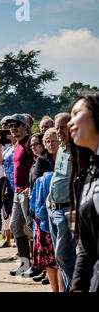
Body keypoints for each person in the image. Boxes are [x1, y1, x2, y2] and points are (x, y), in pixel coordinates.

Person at [67, 92, 99, 292]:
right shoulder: (87, 175)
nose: (71, 122)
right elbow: (87, 249)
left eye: (77, 113)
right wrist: (77, 286)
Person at [46, 112, 77, 291]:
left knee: (64, 255)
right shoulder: (62, 149)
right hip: (54, 210)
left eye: (62, 127)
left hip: (67, 210)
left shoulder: (77, 148)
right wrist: (50, 196)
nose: (59, 132)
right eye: (57, 128)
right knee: (60, 257)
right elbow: (58, 177)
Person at [26, 131, 59, 289]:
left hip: (61, 208)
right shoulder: (41, 160)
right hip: (44, 212)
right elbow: (37, 183)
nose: (52, 144)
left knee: (60, 256)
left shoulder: (65, 158)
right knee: (49, 256)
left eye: (54, 141)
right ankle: (55, 289)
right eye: (49, 141)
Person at [7, 114, 34, 276]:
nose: (13, 127)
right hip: (17, 191)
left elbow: (38, 164)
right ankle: (25, 264)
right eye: (11, 125)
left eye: (17, 124)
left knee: (31, 228)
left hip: (27, 191)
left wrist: (31, 186)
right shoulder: (17, 144)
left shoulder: (30, 143)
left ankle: (38, 265)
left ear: (25, 126)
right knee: (15, 227)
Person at [0, 121, 16, 248]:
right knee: (7, 211)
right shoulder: (6, 147)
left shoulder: (19, 143)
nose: (8, 130)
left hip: (18, 184)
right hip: (7, 182)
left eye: (12, 127)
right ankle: (9, 240)